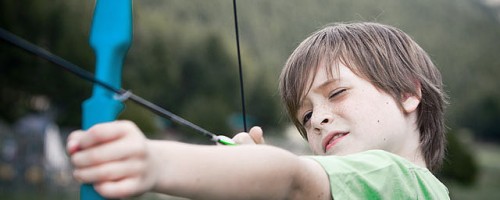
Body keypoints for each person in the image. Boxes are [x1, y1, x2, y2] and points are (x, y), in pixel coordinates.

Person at [67, 22, 449, 199]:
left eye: (337, 93)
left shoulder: (392, 174)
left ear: (407, 93)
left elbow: (293, 177)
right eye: (305, 116)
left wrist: (154, 162)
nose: (317, 119)